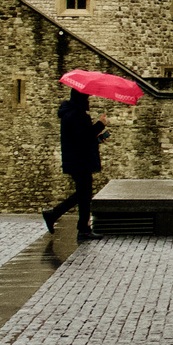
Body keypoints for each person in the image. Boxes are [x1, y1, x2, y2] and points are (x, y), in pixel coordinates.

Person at [42, 89, 109, 241]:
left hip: (76, 159)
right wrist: (100, 125)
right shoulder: (77, 115)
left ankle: (69, 221)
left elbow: (81, 136)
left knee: (83, 193)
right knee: (84, 193)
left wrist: (96, 137)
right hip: (80, 160)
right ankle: (74, 224)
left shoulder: (71, 113)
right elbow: (83, 137)